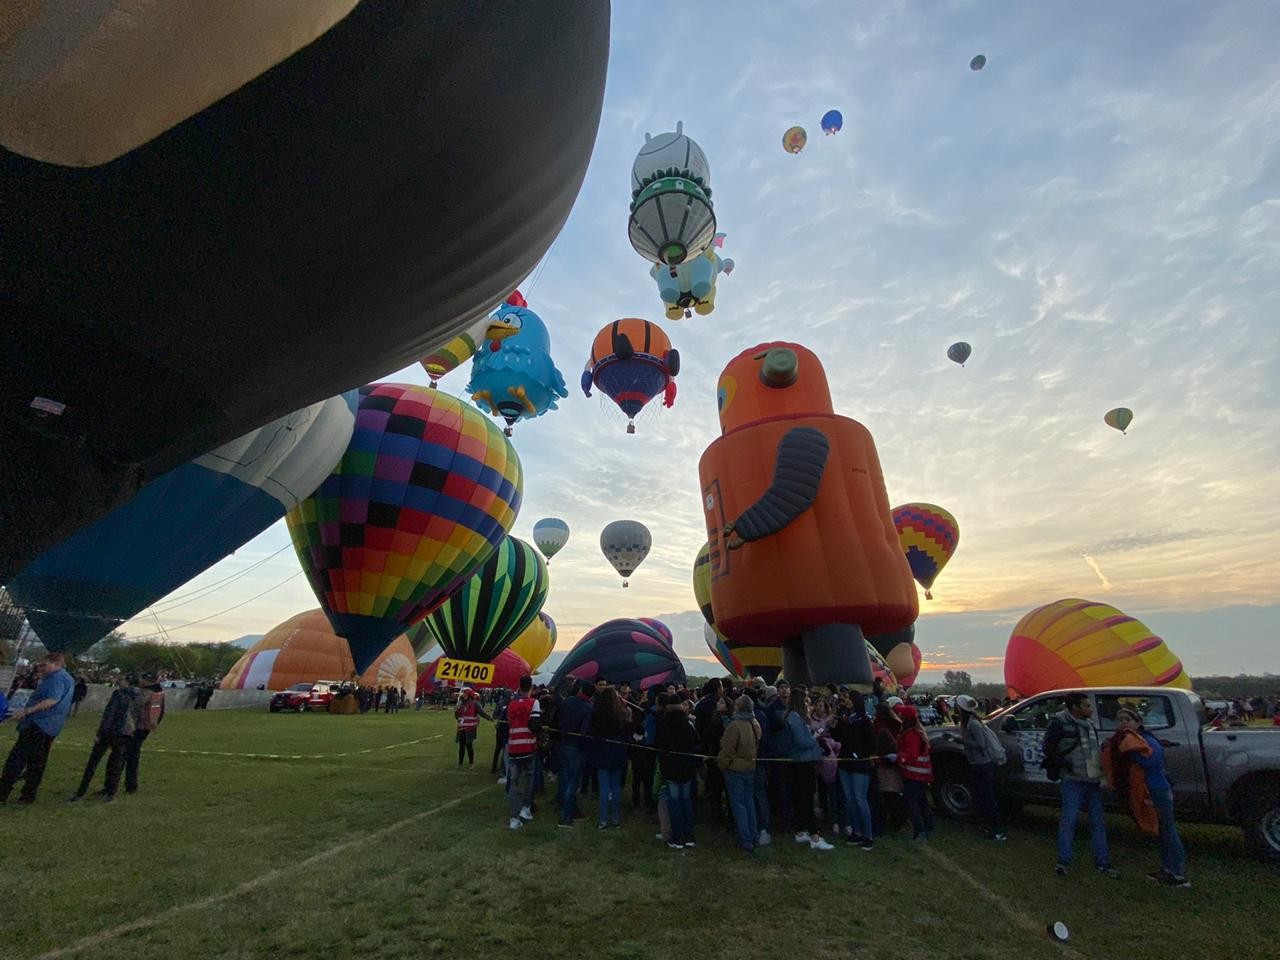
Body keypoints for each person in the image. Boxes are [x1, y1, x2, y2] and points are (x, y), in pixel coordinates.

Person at [1105, 707, 1189, 887]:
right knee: (1160, 830)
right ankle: (1167, 868)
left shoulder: (1147, 741)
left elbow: (1152, 760)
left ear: (1138, 722)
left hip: (1157, 789)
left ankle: (1178, 874)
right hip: (1145, 790)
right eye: (1120, 720)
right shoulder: (1120, 741)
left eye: (1128, 719)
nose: (1124, 723)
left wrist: (1131, 752)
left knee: (1168, 830)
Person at [1045, 692, 1118, 878]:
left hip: (1091, 777)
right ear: (1075, 707)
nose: (1090, 709)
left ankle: (1103, 860)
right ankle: (1063, 860)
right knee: (1069, 820)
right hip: (1072, 777)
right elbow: (1049, 748)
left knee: (1097, 821)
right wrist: (1064, 763)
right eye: (1086, 705)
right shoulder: (1059, 723)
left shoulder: (1089, 724)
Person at [0, 653, 76, 804]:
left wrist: (27, 711)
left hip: (39, 724)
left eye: (44, 665)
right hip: (51, 726)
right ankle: (28, 794)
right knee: (37, 761)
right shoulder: (66, 678)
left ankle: (3, 792)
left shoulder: (56, 678)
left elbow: (52, 700)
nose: (41, 668)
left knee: (17, 759)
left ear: (55, 664)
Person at [67, 674, 142, 803]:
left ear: (128, 682)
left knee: (93, 762)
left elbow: (110, 714)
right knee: (116, 764)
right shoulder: (139, 696)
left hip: (111, 731)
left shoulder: (119, 695)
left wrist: (100, 733)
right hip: (126, 733)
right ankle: (110, 792)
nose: (119, 681)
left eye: (122, 679)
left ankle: (81, 792)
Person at [783, 688, 834, 850]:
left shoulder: (793, 717)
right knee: (806, 798)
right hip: (803, 762)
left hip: (800, 761)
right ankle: (814, 836)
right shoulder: (795, 718)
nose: (808, 703)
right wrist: (814, 737)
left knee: (800, 798)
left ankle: (800, 831)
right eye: (806, 700)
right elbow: (802, 741)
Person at [955, 694, 1007, 841]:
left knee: (986, 797)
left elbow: (981, 745)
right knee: (981, 796)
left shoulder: (973, 724)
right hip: (979, 764)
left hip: (982, 764)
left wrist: (962, 741)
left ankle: (996, 829)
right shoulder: (973, 722)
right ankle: (987, 825)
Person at [718, 694, 762, 852]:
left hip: (735, 769)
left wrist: (722, 764)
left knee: (739, 804)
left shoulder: (735, 725)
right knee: (749, 802)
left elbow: (727, 749)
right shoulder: (754, 723)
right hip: (750, 766)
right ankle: (753, 834)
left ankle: (746, 838)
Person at [832, 690, 876, 849]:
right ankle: (856, 832)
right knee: (850, 799)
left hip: (859, 764)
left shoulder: (864, 720)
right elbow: (838, 737)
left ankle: (868, 835)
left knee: (860, 799)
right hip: (845, 762)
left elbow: (871, 743)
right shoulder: (845, 717)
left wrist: (860, 754)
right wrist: (835, 725)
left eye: (848, 698)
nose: (846, 700)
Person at [656, 693, 698, 849]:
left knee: (674, 802)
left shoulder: (663, 723)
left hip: (670, 768)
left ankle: (677, 837)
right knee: (686, 801)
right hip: (687, 767)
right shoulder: (688, 723)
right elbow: (696, 741)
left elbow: (659, 744)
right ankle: (689, 835)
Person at [589, 686, 629, 829]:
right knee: (616, 787)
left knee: (604, 787)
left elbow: (592, 731)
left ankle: (603, 820)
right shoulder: (621, 713)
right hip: (618, 752)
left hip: (602, 751)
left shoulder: (597, 713)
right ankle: (616, 819)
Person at [504, 675, 541, 830]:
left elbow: (509, 721)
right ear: (531, 687)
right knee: (529, 779)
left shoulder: (512, 704)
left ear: (519, 687)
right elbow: (535, 724)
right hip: (528, 747)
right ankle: (526, 808)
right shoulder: (534, 703)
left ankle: (514, 817)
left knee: (514, 782)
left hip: (513, 747)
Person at [556, 680, 594, 827]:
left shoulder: (568, 702)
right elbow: (584, 732)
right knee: (573, 783)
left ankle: (568, 808)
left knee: (565, 779)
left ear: (580, 690)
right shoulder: (589, 709)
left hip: (564, 743)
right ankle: (566, 817)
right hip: (576, 748)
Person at [894, 704, 935, 842]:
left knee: (911, 802)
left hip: (914, 774)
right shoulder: (918, 731)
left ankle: (919, 830)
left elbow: (911, 755)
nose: (899, 716)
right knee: (922, 801)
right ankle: (928, 827)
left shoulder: (911, 735)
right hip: (922, 773)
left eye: (901, 714)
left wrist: (898, 757)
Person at [126, 675, 166, 795]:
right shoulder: (158, 693)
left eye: (142, 679)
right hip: (143, 727)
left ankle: (131, 784)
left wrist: (152, 723)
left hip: (140, 727)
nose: (140, 681)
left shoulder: (151, 694)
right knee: (133, 754)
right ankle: (130, 784)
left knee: (131, 754)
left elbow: (153, 711)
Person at [454, 689, 492, 766]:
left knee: (469, 745)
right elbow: (457, 717)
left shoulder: (475, 703)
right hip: (461, 728)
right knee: (461, 745)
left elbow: (482, 713)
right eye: (463, 694)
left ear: (469, 695)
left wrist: (489, 717)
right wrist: (456, 711)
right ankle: (460, 762)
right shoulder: (460, 704)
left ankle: (471, 762)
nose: (463, 695)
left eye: (465, 694)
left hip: (470, 729)